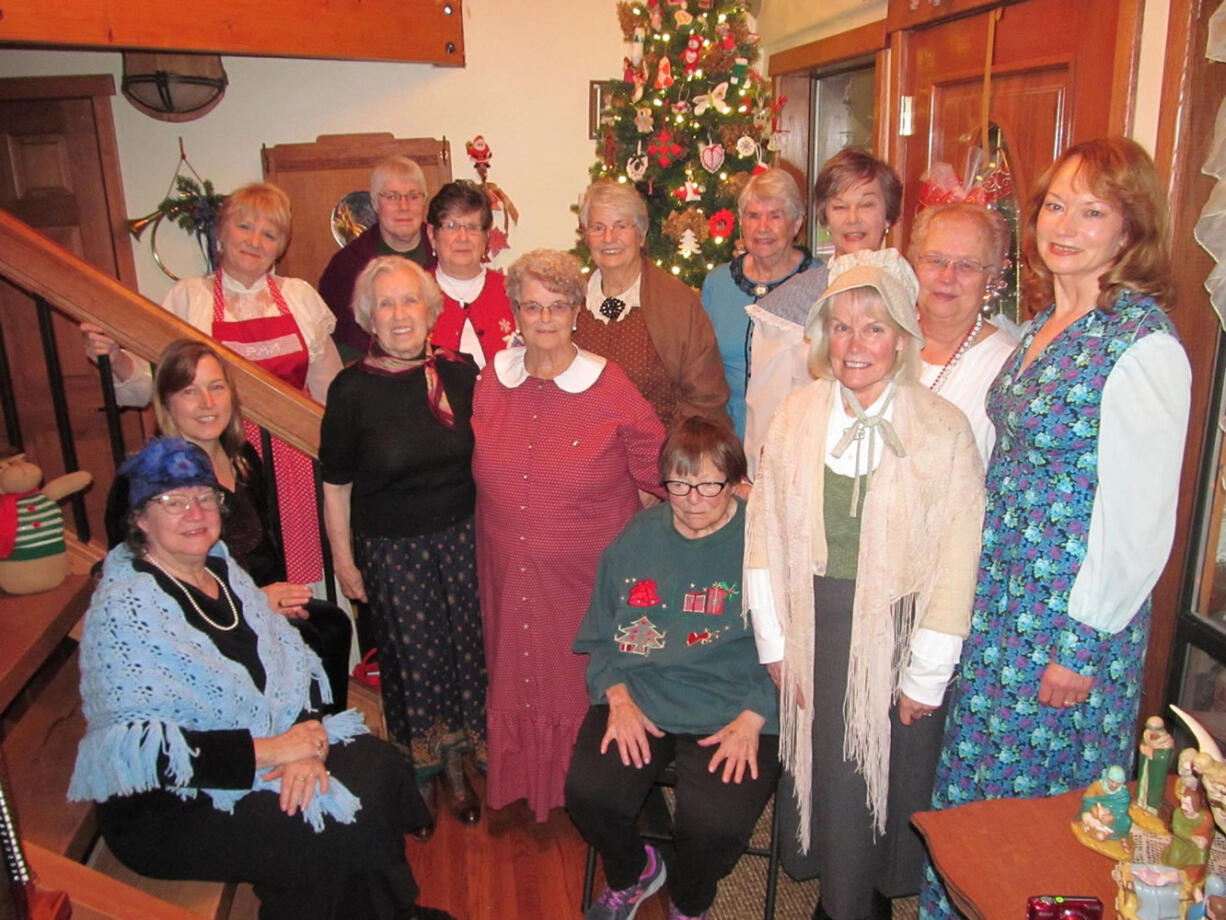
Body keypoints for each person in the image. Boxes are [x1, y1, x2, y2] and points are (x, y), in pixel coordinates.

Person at [921, 137, 1192, 918]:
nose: (1064, 224)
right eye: (1055, 205)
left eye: (1092, 210)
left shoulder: (1140, 342)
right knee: (975, 805)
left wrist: (1082, 645)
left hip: (1061, 628)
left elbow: (1139, 522)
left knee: (1037, 831)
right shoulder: (1049, 319)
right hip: (1000, 607)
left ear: (1130, 230)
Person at [68, 437, 454, 920]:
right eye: (173, 501)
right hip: (172, 807)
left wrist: (306, 743)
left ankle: (390, 912)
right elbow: (153, 753)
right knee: (328, 823)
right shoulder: (126, 608)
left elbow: (290, 658)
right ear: (139, 519)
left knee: (374, 765)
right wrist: (276, 750)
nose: (195, 512)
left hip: (264, 745)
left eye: (205, 497)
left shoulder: (221, 569)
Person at [745, 248, 985, 920]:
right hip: (814, 623)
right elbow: (763, 533)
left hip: (897, 632)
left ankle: (860, 899)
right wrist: (772, 640)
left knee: (880, 776)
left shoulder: (942, 429)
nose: (856, 345)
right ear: (823, 337)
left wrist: (927, 673)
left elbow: (958, 554)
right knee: (827, 773)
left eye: (874, 328)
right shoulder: (796, 416)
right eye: (842, 328)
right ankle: (839, 894)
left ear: (903, 338)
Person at [471, 249, 666, 822]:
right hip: (508, 572)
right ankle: (529, 784)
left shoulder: (608, 386)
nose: (546, 317)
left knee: (575, 682)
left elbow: (658, 465)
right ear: (515, 312)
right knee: (519, 672)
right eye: (533, 305)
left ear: (577, 310)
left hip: (586, 581)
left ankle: (585, 791)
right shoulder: (490, 380)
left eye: (558, 305)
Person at [566, 417, 780, 920]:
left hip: (736, 702)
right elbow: (600, 633)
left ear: (735, 482)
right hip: (643, 692)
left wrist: (757, 716)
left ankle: (688, 900)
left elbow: (803, 647)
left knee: (713, 826)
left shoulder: (766, 542)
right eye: (680, 484)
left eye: (710, 485)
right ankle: (633, 872)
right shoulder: (637, 536)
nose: (692, 499)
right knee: (589, 793)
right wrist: (616, 697)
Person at [82, 182, 342, 586]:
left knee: (302, 577)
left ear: (281, 246)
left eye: (269, 234)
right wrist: (114, 356)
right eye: (245, 227)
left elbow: (330, 390)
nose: (255, 241)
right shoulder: (189, 298)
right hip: (215, 459)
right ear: (221, 232)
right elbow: (148, 387)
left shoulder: (300, 296)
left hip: (294, 460)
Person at [321, 256, 485, 833]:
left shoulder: (460, 375)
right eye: (385, 304)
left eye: (409, 301)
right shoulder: (351, 390)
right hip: (393, 551)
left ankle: (463, 764)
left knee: (468, 656)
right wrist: (344, 560)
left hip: (464, 541)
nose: (398, 315)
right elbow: (336, 484)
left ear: (430, 310)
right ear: (368, 315)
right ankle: (419, 772)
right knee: (415, 665)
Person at [103, 339, 352, 710]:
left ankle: (323, 739)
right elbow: (139, 580)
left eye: (216, 387)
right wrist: (251, 602)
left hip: (255, 596)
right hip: (200, 617)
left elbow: (265, 546)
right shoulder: (146, 478)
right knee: (302, 639)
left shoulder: (243, 457)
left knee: (330, 624)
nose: (207, 403)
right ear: (167, 402)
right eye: (190, 391)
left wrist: (282, 596)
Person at [742, 151, 900, 478]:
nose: (853, 218)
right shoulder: (787, 308)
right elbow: (767, 426)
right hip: (815, 477)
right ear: (825, 217)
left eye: (867, 204)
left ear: (889, 214)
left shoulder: (917, 298)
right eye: (840, 206)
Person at [574, 180, 730, 431]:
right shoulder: (570, 301)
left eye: (620, 226)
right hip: (581, 459)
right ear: (586, 236)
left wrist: (669, 457)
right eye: (598, 227)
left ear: (642, 233)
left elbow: (705, 399)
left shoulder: (678, 304)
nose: (608, 238)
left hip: (659, 460)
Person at [701, 168, 816, 439]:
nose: (763, 227)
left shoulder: (820, 281)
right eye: (753, 216)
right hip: (727, 440)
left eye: (775, 216)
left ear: (797, 223)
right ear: (742, 222)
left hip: (799, 437)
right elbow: (703, 370)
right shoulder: (718, 284)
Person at [911, 202, 1019, 463]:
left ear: (991, 277)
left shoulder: (1007, 367)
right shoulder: (881, 341)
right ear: (915, 263)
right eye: (936, 260)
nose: (948, 276)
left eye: (967, 265)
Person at [319, 156, 437, 360]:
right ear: (374, 203)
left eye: (413, 196)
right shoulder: (347, 266)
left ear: (424, 201)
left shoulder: (443, 250)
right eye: (392, 197)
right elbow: (338, 343)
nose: (404, 206)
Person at [425, 179, 515, 368]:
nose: (463, 237)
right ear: (432, 234)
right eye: (452, 226)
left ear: (486, 237)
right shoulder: (413, 295)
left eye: (473, 227)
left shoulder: (513, 292)